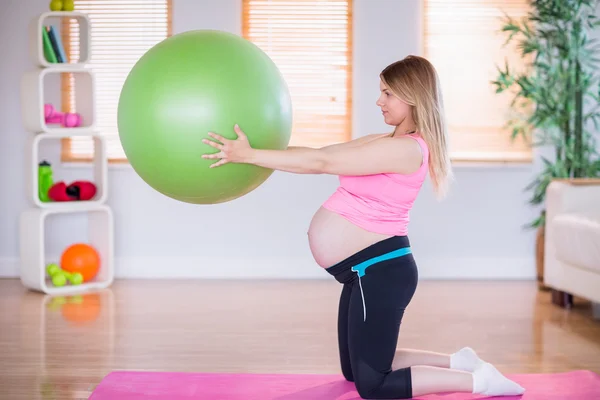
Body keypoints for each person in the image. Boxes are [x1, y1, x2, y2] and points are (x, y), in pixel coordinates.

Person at [201, 55, 525, 399]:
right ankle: (459, 361)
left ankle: (480, 382)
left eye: (388, 93)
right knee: (354, 370)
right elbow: (319, 152)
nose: (379, 101)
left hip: (381, 272)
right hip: (362, 270)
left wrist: (249, 156)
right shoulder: (383, 141)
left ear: (412, 96)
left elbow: (321, 163)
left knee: (373, 385)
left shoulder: (406, 150)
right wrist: (254, 151)